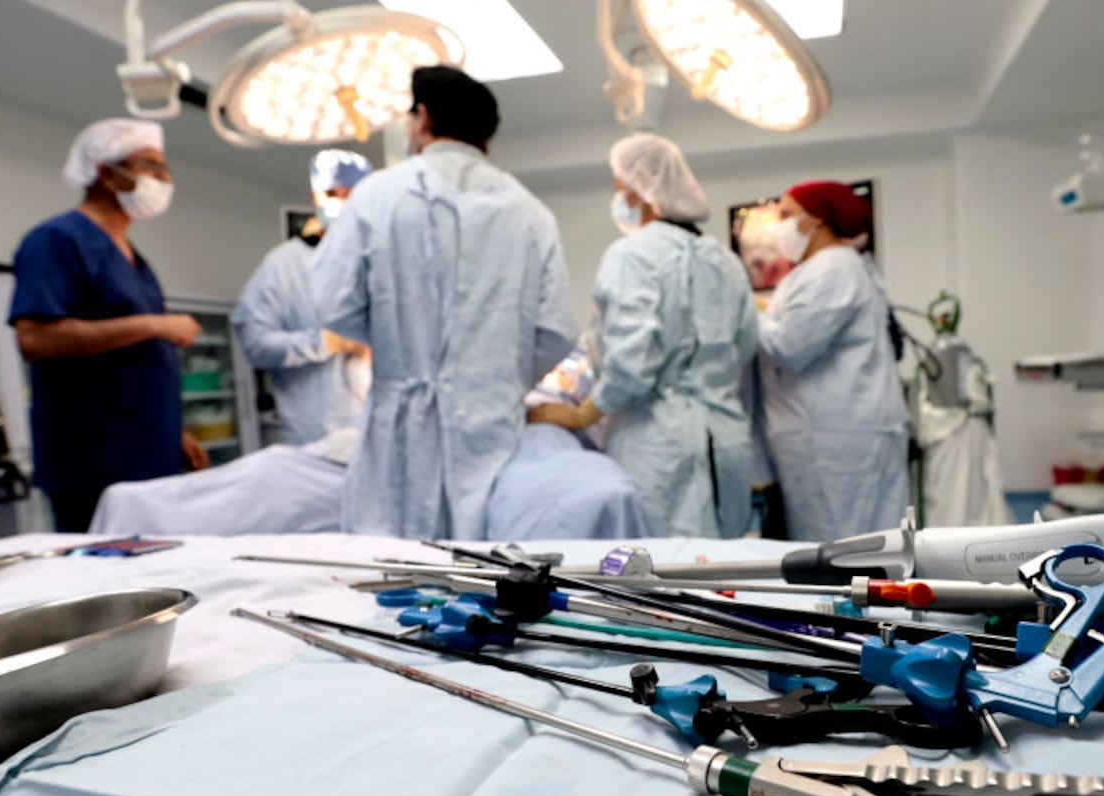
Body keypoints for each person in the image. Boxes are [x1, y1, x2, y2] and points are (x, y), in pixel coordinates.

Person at [310, 66, 576, 538]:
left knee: (388, 578)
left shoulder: (377, 196)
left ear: (423, 118)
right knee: (486, 578)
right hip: (491, 428)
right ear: (488, 137)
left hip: (399, 428)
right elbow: (555, 332)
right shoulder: (531, 212)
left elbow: (331, 301)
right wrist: (494, 378)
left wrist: (397, 342)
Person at [528, 134, 756, 538]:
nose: (619, 201)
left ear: (643, 193)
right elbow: (745, 346)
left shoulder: (632, 255)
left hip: (658, 446)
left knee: (662, 579)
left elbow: (633, 363)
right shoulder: (726, 260)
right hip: (726, 440)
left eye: (621, 191)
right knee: (725, 572)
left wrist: (584, 413)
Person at [8, 118, 206, 533]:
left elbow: (137, 363)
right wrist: (156, 324)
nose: (162, 178)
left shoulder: (132, 255)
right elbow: (36, 338)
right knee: (104, 582)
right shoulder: (57, 240)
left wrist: (174, 432)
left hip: (151, 452)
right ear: (105, 172)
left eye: (164, 169)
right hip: (94, 462)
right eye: (150, 165)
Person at [757, 180, 910, 542]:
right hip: (841, 432)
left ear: (816, 220)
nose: (778, 226)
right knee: (864, 542)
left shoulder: (832, 268)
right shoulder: (829, 267)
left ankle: (854, 601)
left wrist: (744, 310)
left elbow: (789, 346)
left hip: (835, 438)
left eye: (786, 215)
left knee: (842, 545)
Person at [231, 149, 374, 445]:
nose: (344, 201)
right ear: (315, 196)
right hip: (314, 434)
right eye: (334, 193)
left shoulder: (377, 260)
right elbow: (255, 343)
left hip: (376, 428)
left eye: (354, 193)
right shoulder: (284, 264)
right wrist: (324, 342)